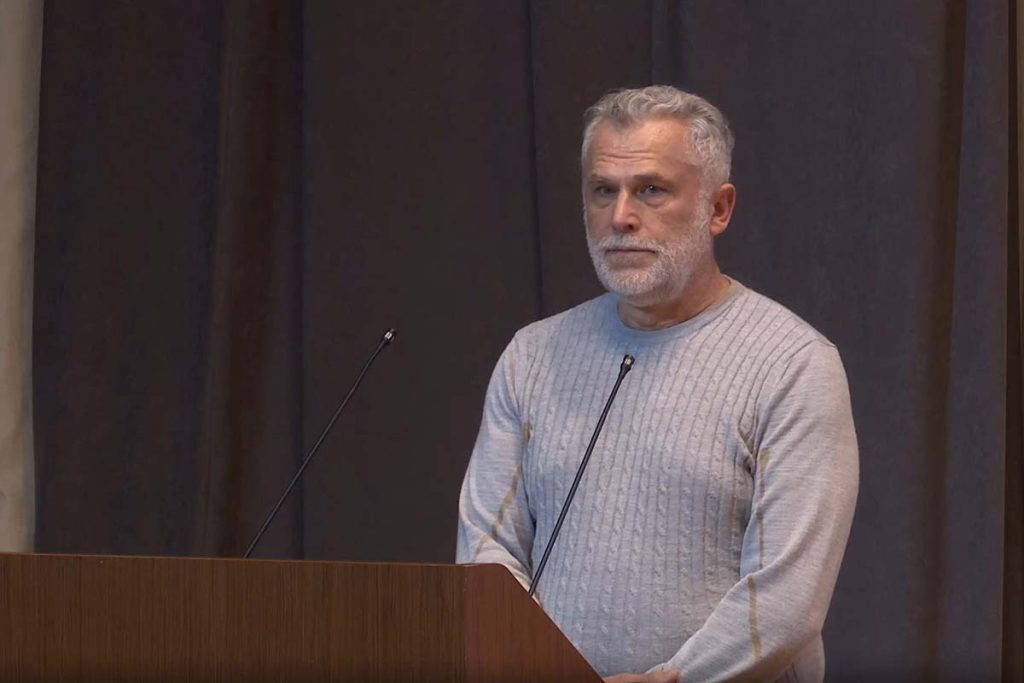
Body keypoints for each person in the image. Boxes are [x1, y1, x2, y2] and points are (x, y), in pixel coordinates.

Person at [456, 85, 858, 682]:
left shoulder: (793, 365)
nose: (621, 216)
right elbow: (487, 556)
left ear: (718, 209)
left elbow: (785, 602)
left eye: (650, 189)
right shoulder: (531, 356)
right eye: (603, 190)